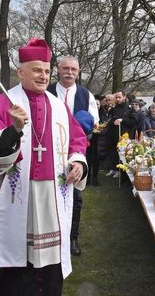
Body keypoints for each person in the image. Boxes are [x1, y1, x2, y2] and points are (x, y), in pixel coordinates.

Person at [0, 38, 87, 296]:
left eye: (46, 71)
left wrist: (78, 162)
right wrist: (13, 130)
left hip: (52, 198)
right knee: (15, 262)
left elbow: (77, 139)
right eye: (37, 70)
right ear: (21, 72)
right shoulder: (0, 105)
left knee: (49, 263)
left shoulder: (59, 106)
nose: (44, 76)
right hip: (18, 197)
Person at [47, 55, 98, 256]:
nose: (69, 72)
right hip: (49, 148)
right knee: (49, 194)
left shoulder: (86, 95)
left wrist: (84, 128)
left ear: (78, 72)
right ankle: (50, 236)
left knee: (75, 196)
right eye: (65, 68)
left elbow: (94, 122)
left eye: (73, 69)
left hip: (76, 151)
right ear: (58, 70)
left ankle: (72, 238)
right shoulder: (47, 91)